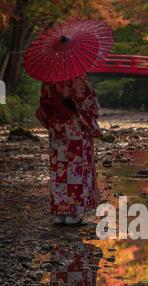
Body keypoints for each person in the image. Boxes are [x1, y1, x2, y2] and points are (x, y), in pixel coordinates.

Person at [36, 75, 102, 225]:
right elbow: (89, 104)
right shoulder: (77, 78)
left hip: (57, 128)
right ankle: (73, 214)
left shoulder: (47, 80)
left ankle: (59, 213)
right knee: (76, 168)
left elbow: (43, 106)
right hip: (75, 127)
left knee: (59, 168)